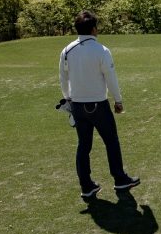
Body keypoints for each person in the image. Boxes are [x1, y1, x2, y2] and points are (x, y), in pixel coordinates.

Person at [59, 10, 140, 200]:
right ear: (94, 29)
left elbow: (63, 79)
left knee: (83, 146)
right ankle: (120, 179)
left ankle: (86, 186)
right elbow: (110, 78)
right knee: (111, 141)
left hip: (78, 106)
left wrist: (68, 99)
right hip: (99, 105)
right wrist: (118, 100)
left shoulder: (66, 51)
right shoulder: (102, 50)